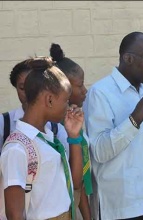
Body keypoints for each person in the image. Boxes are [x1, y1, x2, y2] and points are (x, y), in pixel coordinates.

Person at [84, 32, 143, 220]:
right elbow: (99, 151)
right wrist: (136, 118)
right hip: (122, 208)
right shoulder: (100, 93)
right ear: (128, 58)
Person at [0, 57, 84, 219]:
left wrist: (74, 137)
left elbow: (75, 182)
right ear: (50, 100)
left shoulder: (48, 137)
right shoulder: (17, 148)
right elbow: (15, 215)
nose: (68, 106)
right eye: (66, 100)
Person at [50, 43, 92, 220]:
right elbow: (75, 180)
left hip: (81, 203)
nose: (85, 91)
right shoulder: (56, 130)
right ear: (64, 88)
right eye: (80, 85)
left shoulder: (75, 121)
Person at [0, 59, 69, 153]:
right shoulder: (4, 124)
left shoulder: (55, 128)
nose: (29, 93)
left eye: (35, 87)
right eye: (23, 88)